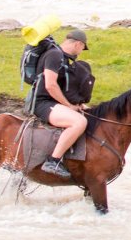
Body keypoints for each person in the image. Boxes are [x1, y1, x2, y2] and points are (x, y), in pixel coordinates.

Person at [31, 29, 92, 179]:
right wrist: (68, 106)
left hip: (54, 102)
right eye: (82, 49)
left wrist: (77, 104)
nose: (80, 52)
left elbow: (63, 87)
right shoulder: (54, 55)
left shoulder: (62, 57)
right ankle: (53, 161)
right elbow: (50, 85)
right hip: (43, 103)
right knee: (79, 122)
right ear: (78, 44)